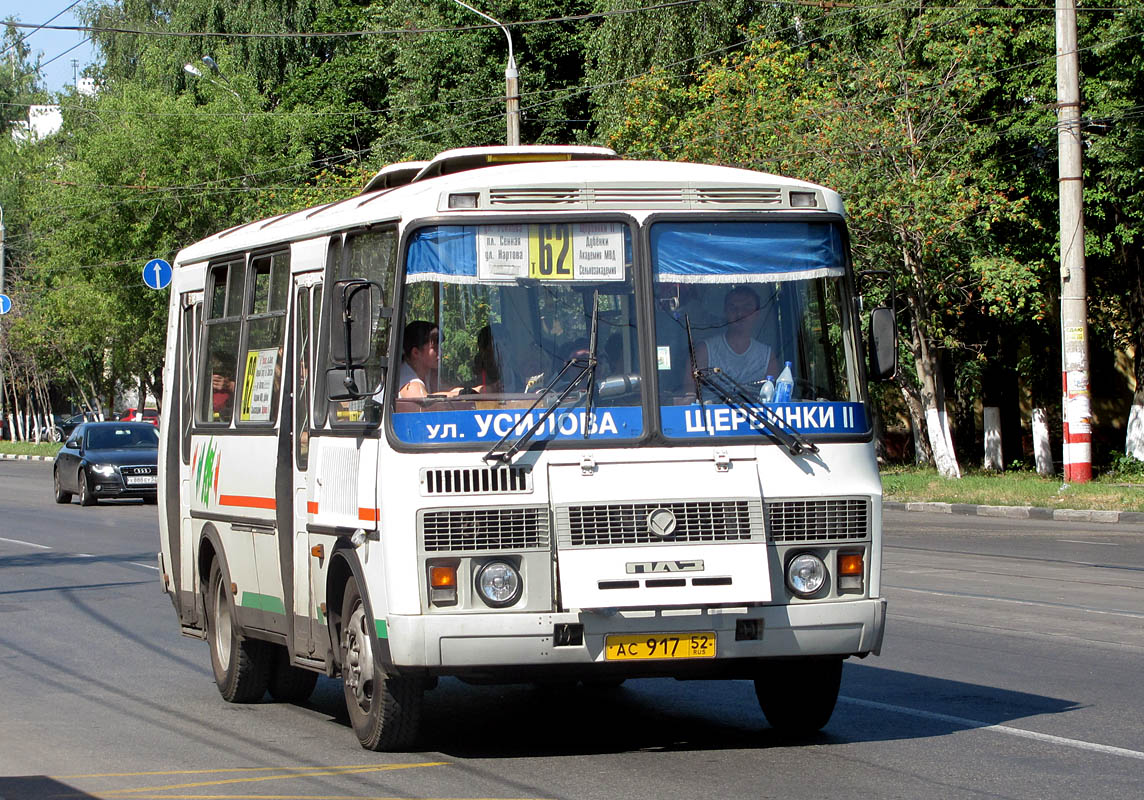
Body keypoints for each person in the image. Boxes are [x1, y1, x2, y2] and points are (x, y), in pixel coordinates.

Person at [695, 285, 779, 387]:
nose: (739, 314)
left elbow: (775, 397)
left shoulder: (767, 356)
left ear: (757, 314)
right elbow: (689, 394)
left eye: (747, 308)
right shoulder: (704, 351)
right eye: (733, 308)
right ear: (725, 312)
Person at [398, 320, 440, 398]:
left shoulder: (428, 374)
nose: (441, 351)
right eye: (435, 348)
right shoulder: (409, 383)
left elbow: (449, 389)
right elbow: (426, 404)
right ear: (416, 353)